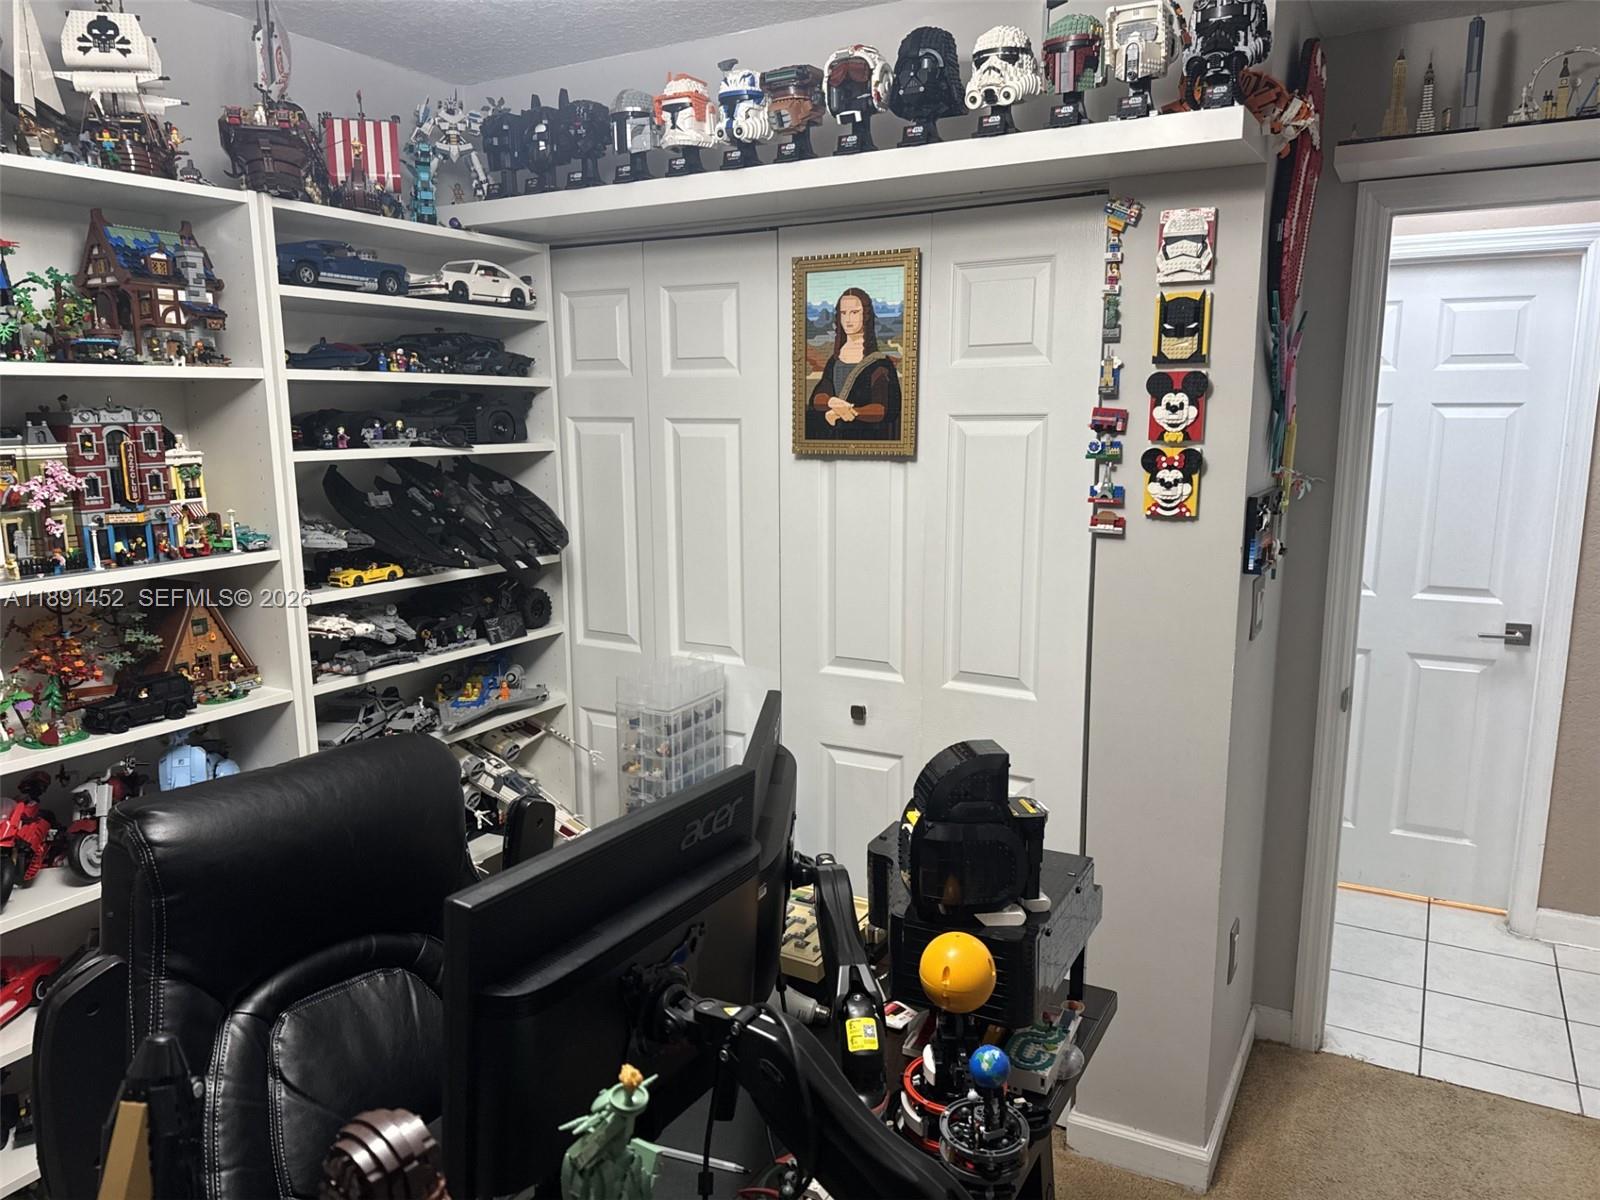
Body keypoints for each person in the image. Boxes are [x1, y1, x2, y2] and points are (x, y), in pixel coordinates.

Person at [807, 287, 901, 441]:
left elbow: (883, 409)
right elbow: (818, 397)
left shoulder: (880, 364)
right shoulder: (835, 360)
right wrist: (834, 402)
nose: (848, 319)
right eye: (843, 313)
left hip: (868, 437)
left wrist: (846, 412)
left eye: (854, 312)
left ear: (866, 315)